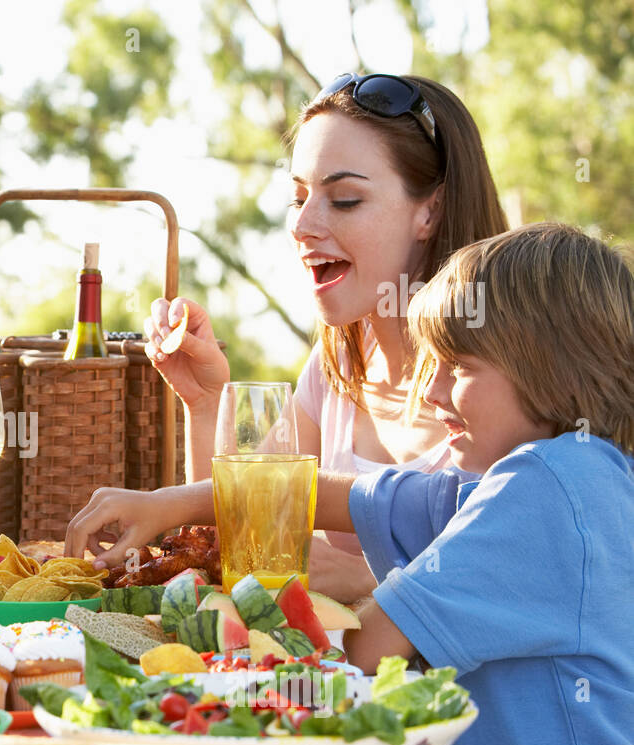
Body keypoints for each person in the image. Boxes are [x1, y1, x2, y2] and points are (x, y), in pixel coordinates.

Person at [73, 222, 634, 745]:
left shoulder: (543, 488)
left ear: (553, 368)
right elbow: (343, 495)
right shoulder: (576, 475)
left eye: (462, 369)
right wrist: (177, 502)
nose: (436, 393)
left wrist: (227, 679)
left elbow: (367, 645)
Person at [137, 73, 508, 602]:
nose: (302, 224)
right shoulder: (340, 358)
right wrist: (204, 403)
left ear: (431, 210)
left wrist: (371, 579)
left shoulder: (501, 377)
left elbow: (528, 573)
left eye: (346, 199)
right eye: (298, 197)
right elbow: (243, 536)